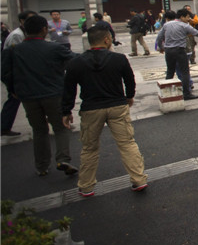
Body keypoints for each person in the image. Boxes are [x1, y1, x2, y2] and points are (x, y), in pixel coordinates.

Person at [61, 26, 148, 196]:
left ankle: (86, 186)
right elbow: (130, 80)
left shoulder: (75, 63)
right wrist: (129, 97)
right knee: (127, 143)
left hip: (91, 109)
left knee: (89, 148)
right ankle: (139, 179)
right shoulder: (119, 59)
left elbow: (69, 89)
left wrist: (66, 111)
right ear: (107, 40)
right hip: (117, 106)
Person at [0, 15, 77, 176]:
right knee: (61, 127)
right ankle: (63, 159)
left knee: (39, 130)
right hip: (53, 95)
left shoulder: (14, 50)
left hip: (28, 97)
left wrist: (13, 90)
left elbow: (5, 73)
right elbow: (75, 61)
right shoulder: (54, 48)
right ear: (44, 29)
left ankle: (41, 166)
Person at [157, 8, 198, 100]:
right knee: (185, 72)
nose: (188, 19)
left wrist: (161, 47)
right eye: (187, 17)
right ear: (182, 17)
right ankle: (186, 93)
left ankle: (167, 93)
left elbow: (159, 37)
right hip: (179, 50)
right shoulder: (184, 26)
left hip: (168, 51)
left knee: (170, 71)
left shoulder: (166, 25)